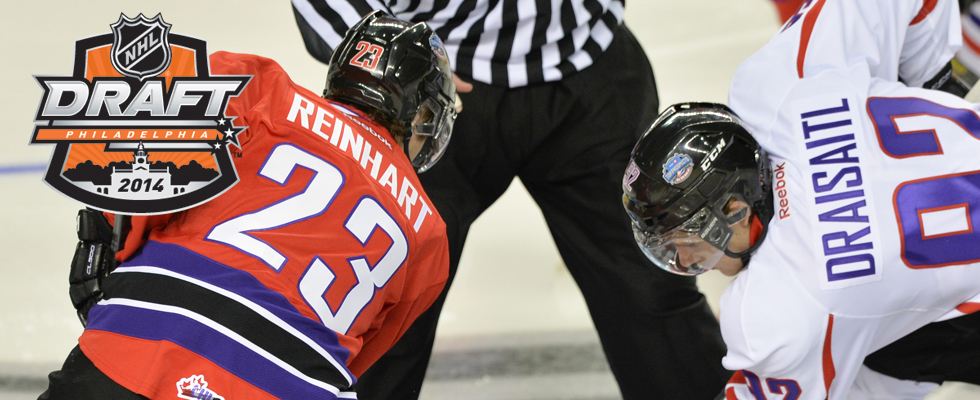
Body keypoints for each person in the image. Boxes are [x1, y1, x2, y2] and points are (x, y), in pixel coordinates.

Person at [290, 1, 732, 399]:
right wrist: (387, 68)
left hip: (589, 64)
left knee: (653, 292)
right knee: (381, 294)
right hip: (430, 88)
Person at [43, 11, 456, 400]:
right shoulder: (428, 233)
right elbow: (359, 358)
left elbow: (146, 155)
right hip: (282, 380)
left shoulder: (262, 88)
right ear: (422, 115)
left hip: (141, 332)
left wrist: (101, 242)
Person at [623, 0, 980, 398]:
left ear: (735, 211)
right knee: (869, 333)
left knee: (861, 340)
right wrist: (927, 89)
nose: (686, 260)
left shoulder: (781, 306)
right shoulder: (776, 85)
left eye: (687, 242)